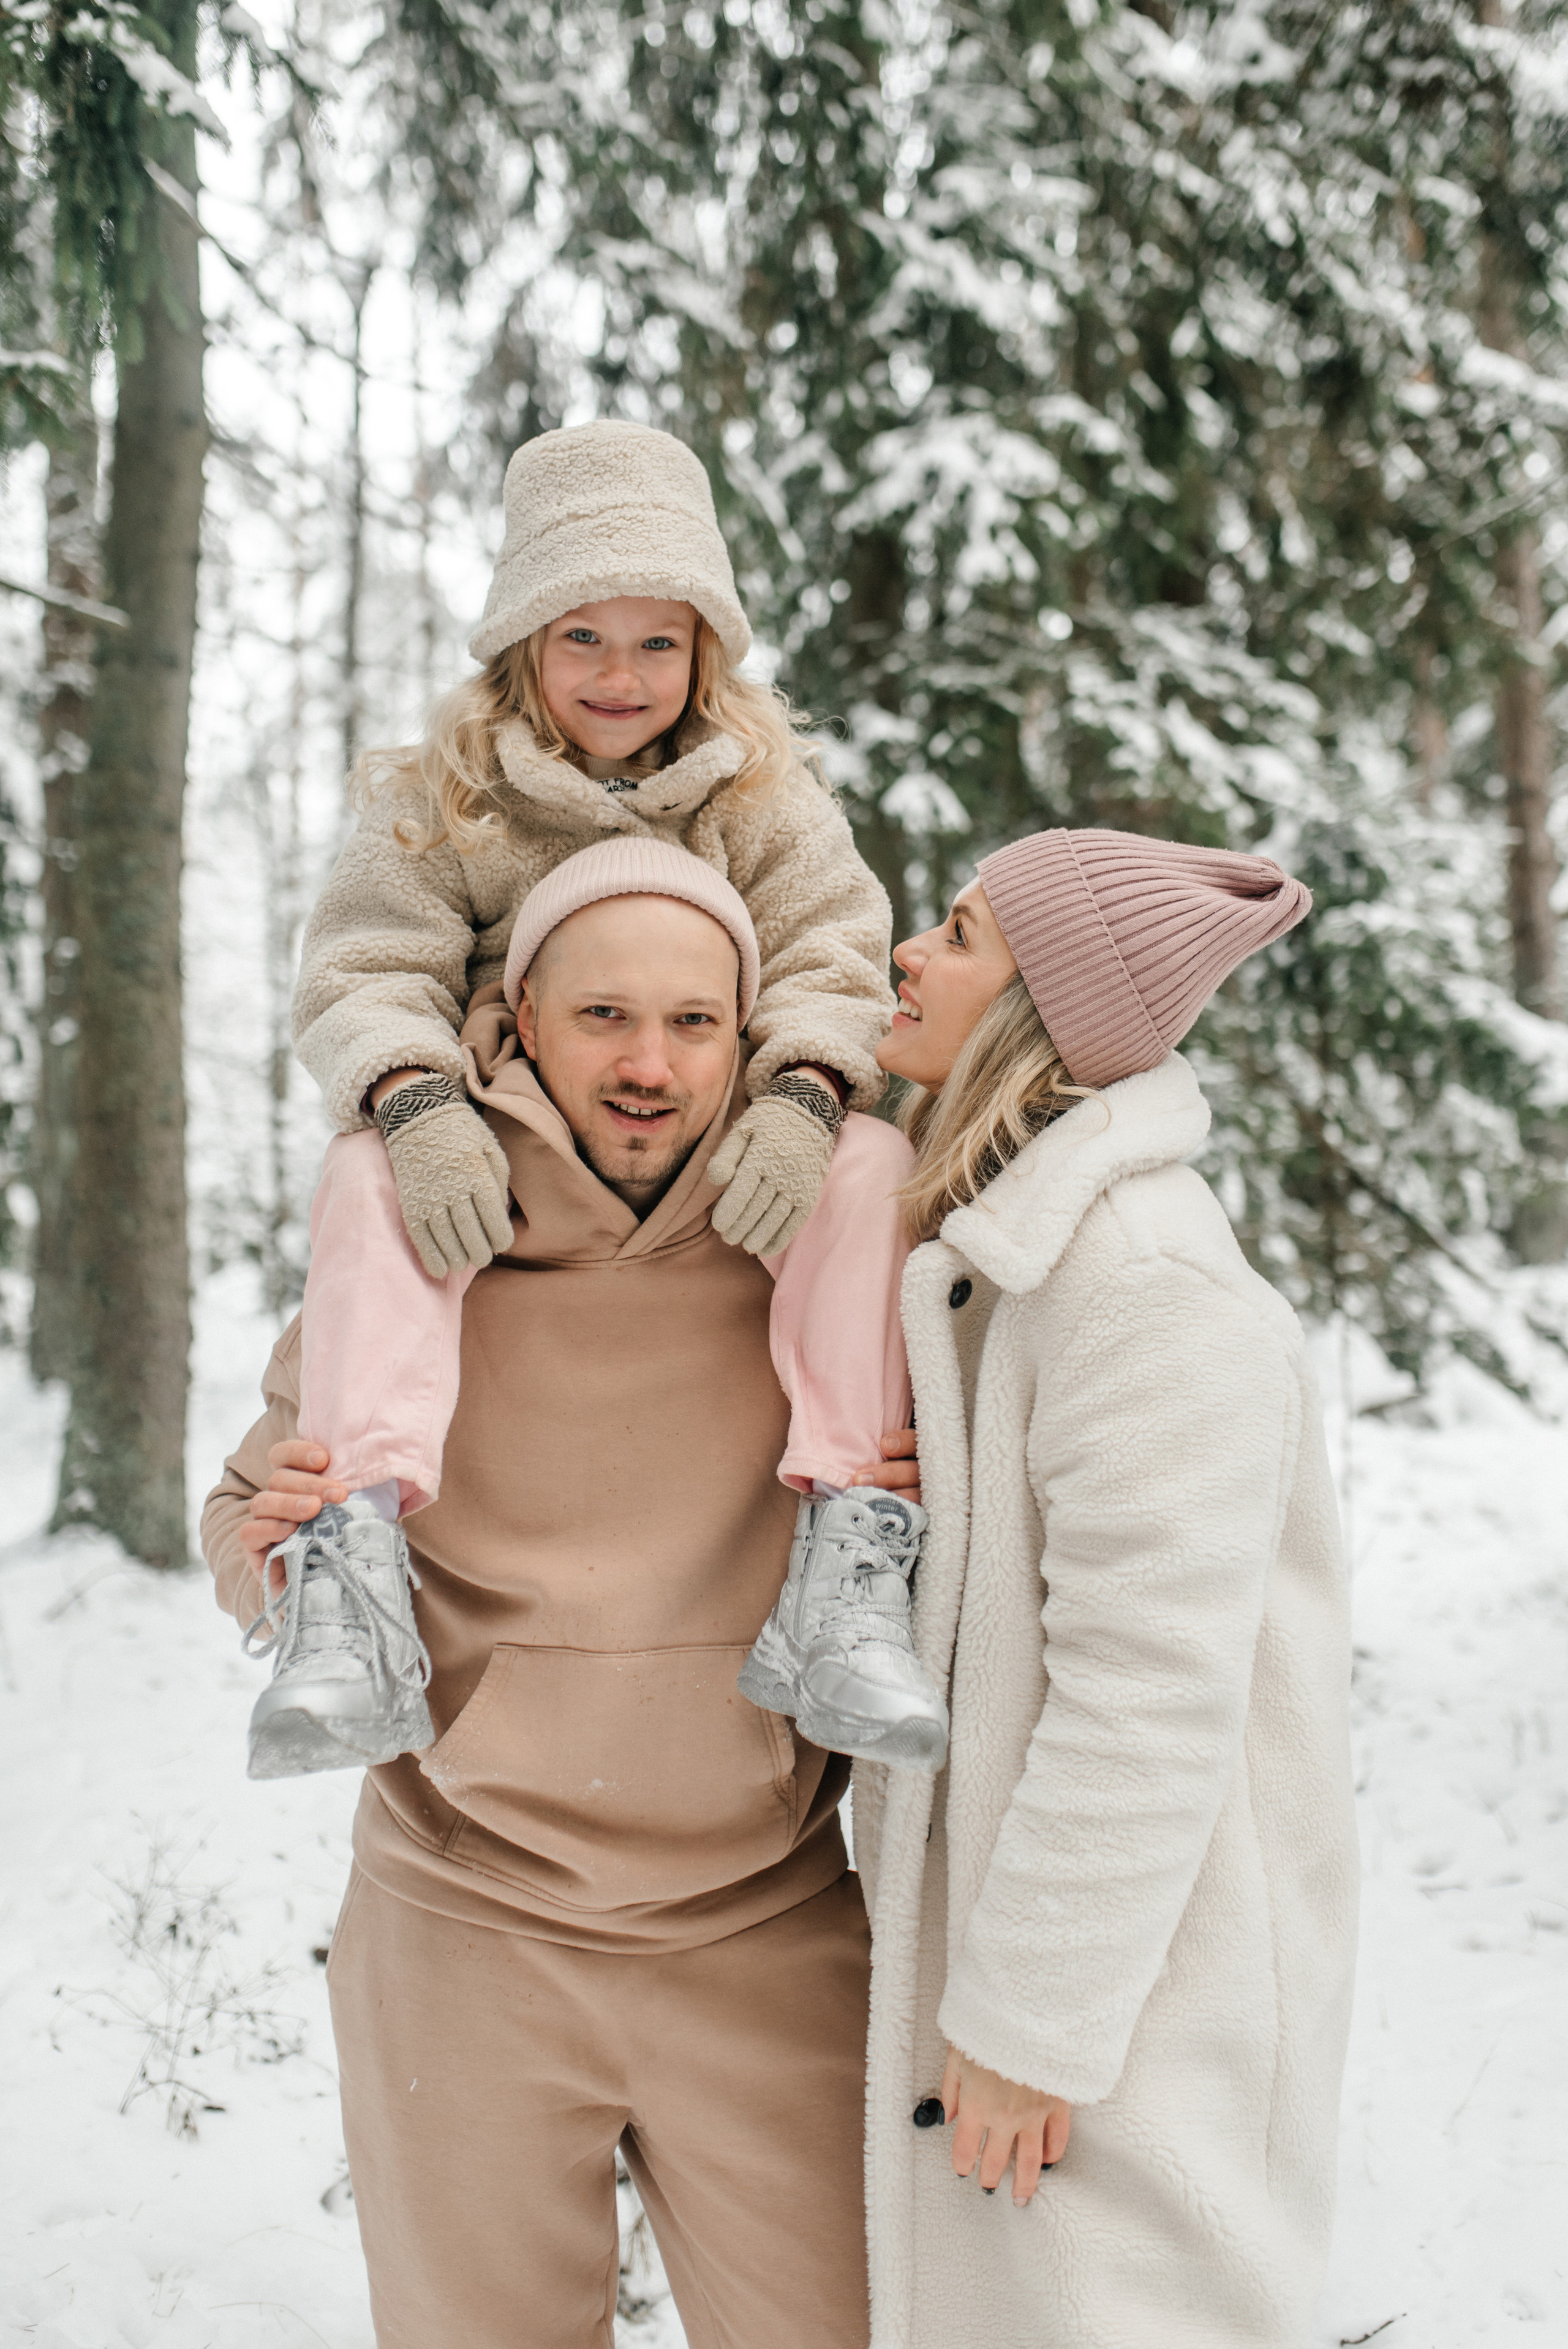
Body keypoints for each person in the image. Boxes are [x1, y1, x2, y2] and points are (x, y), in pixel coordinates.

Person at [203, 871, 917, 2348]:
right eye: (603, 1017)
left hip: (765, 1928)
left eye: (692, 1023)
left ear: (747, 1034)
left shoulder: (833, 1244)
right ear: (521, 1019)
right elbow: (241, 1502)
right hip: (461, 1933)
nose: (648, 1064)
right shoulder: (411, 1233)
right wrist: (272, 1553)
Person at [252, 415, 943, 1777]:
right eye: (582, 637)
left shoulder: (761, 792)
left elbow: (831, 950)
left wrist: (803, 1091)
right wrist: (416, 1103)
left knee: (870, 1164)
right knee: (363, 1173)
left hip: (715, 1123)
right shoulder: (448, 799)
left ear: (704, 650)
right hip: (503, 1127)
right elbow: (366, 965)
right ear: (523, 638)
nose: (620, 677)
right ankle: (355, 1565)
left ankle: (849, 1563)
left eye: (657, 642)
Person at [854, 829, 1359, 2348]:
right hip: (1039, 1972)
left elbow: (1147, 1696)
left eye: (959, 935)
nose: (908, 952)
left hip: (1125, 2004)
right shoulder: (1026, 1252)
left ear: (1040, 1014)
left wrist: (1030, 2023)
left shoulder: (1141, 1278)